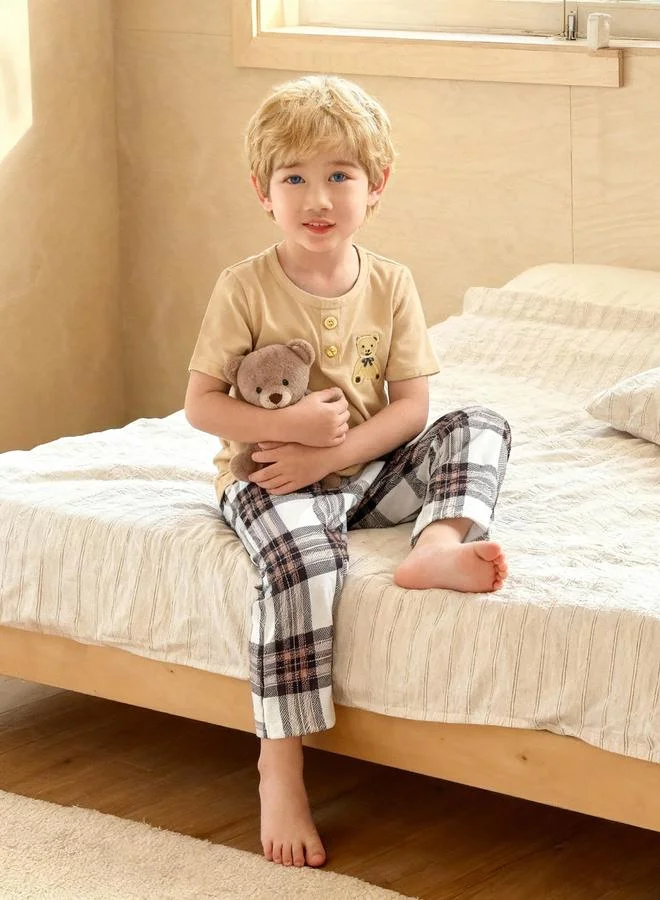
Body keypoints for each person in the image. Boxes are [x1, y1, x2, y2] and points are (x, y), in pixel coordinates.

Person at [184, 74, 511, 870]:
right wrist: (289, 430)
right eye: (294, 178)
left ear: (377, 185)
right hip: (270, 476)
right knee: (304, 565)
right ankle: (280, 765)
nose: (318, 198)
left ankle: (435, 546)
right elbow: (200, 406)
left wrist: (331, 451)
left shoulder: (391, 283)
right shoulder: (244, 287)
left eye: (339, 175)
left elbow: (412, 408)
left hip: (361, 473)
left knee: (480, 426)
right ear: (263, 191)